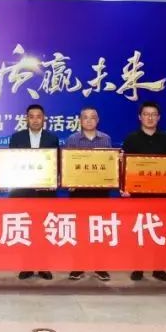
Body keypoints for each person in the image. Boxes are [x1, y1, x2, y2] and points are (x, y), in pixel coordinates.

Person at [120, 101, 166, 283]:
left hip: (162, 194)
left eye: (153, 115)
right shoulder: (131, 139)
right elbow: (124, 167)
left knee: (160, 231)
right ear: (140, 117)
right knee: (139, 232)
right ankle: (138, 267)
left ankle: (159, 268)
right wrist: (125, 187)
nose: (150, 118)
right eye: (146, 114)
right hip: (138, 195)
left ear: (158, 118)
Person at [8, 104, 59, 281]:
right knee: (26, 230)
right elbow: (11, 163)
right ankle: (27, 266)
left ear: (44, 119)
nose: (35, 120)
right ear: (26, 119)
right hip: (22, 193)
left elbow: (56, 164)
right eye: (32, 116)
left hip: (45, 193)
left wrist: (54, 180)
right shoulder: (16, 138)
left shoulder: (52, 139)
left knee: (44, 231)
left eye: (38, 116)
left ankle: (44, 266)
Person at [64, 106, 112, 283]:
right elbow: (67, 165)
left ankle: (101, 267)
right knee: (80, 231)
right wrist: (68, 181)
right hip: (79, 193)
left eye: (93, 117)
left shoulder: (106, 139)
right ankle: (78, 267)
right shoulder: (72, 139)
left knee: (99, 231)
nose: (89, 120)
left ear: (98, 120)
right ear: (80, 120)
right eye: (85, 117)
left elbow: (109, 165)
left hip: (100, 193)